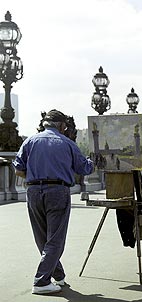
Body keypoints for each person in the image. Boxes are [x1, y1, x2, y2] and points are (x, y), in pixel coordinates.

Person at [13, 109, 94, 295]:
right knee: (55, 239)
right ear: (62, 126)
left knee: (42, 238)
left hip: (33, 190)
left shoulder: (30, 141)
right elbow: (85, 169)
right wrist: (94, 159)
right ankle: (41, 281)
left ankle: (58, 275)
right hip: (57, 191)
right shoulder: (67, 143)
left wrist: (35, 178)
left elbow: (18, 170)